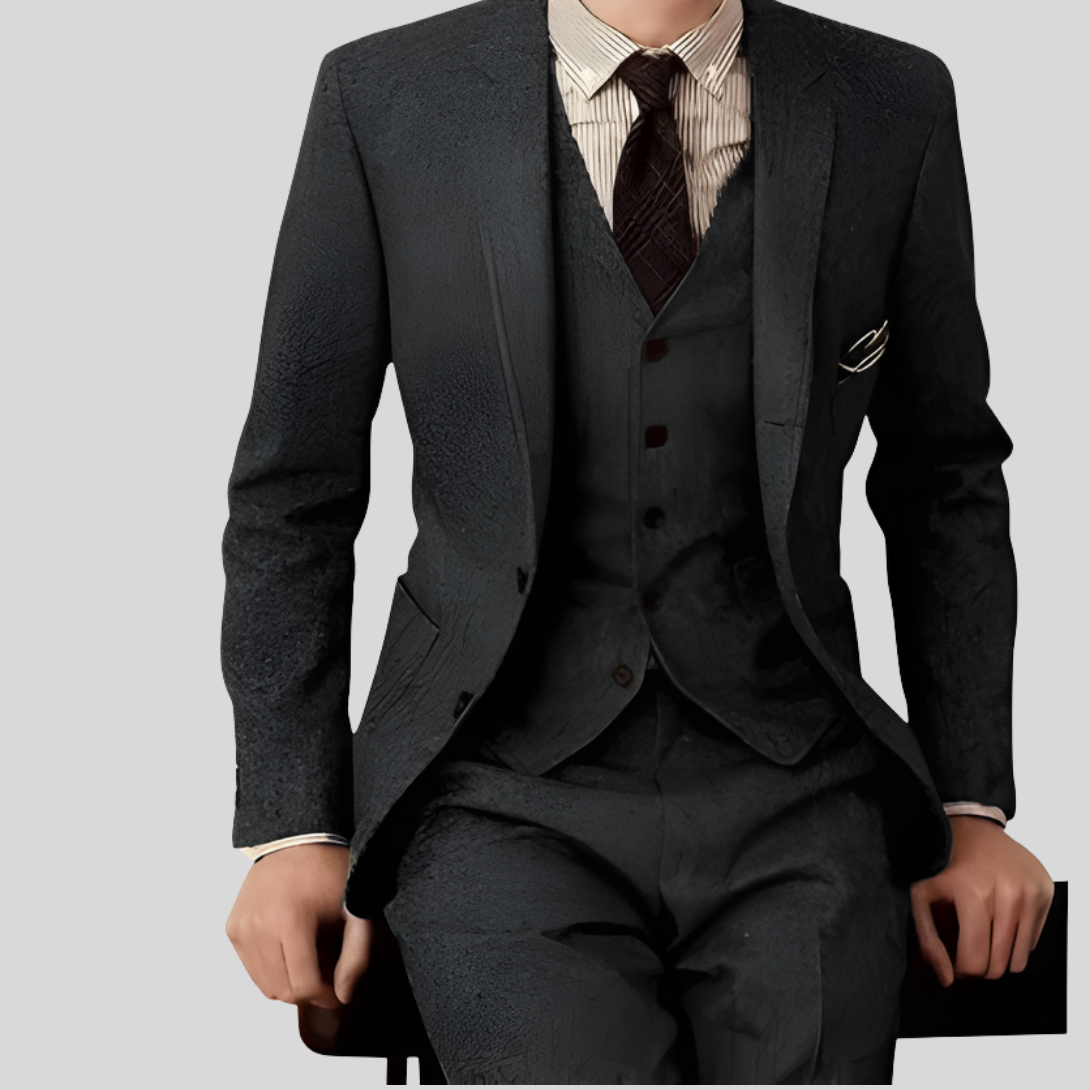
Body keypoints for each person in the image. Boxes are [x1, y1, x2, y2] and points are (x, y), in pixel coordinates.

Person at [223, 0, 1054, 1081]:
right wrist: (294, 826)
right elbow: (296, 490)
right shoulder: (385, 97)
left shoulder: (891, 100)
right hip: (493, 788)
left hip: (800, 790)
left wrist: (970, 804)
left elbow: (945, 477)